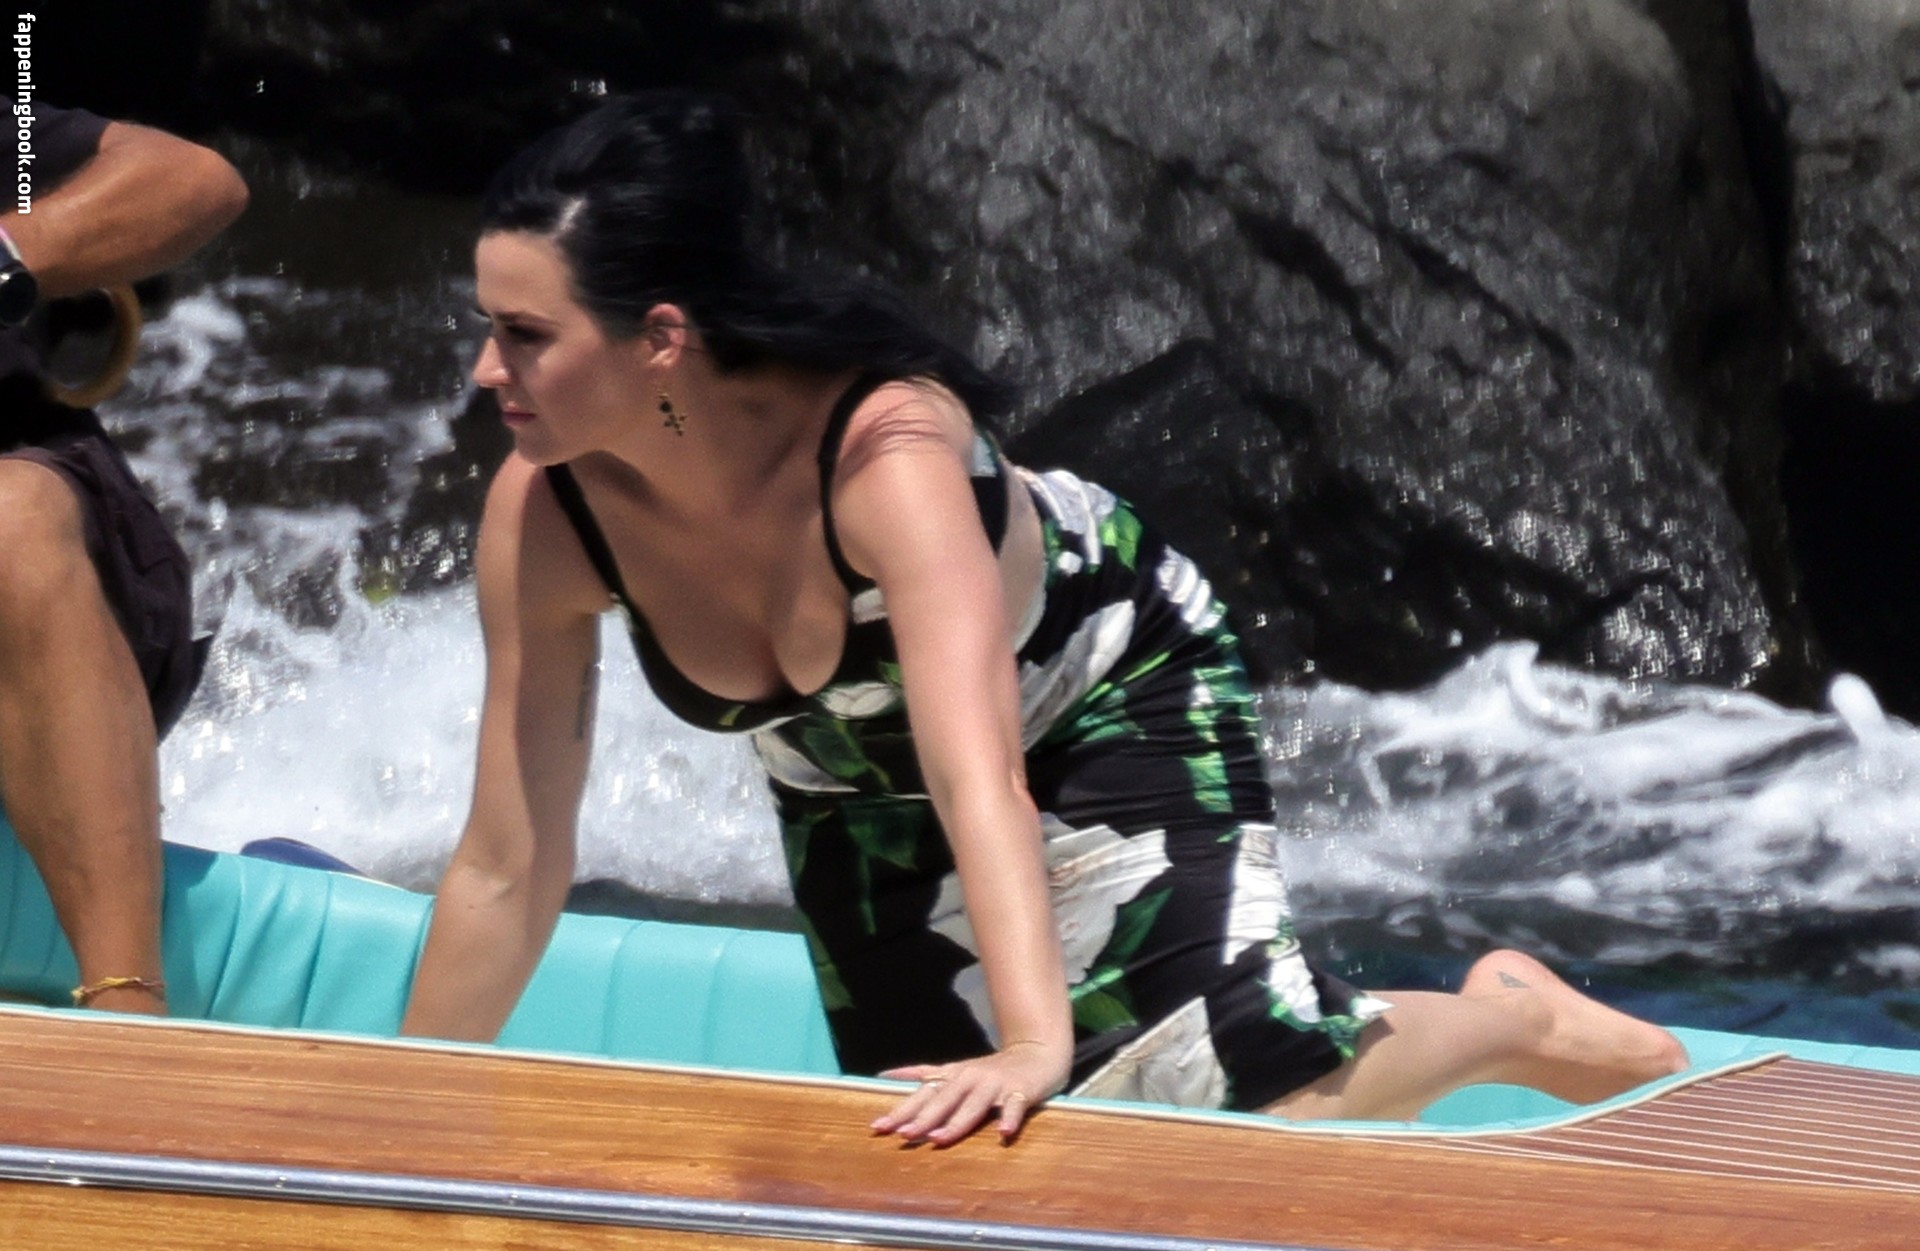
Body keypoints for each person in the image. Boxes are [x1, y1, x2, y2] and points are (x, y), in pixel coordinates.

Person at [401, 91, 1687, 1143]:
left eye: (525, 334)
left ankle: (1514, 1018)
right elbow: (510, 860)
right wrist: (397, 1109)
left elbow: (983, 775)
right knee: (945, 1152)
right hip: (859, 798)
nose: (485, 369)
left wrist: (1032, 1043)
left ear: (661, 339)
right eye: (486, 329)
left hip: (1102, 689)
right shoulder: (547, 517)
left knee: (1257, 1100)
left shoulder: (885, 458)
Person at [0, 105, 248, 1014]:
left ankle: (127, 1012)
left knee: (9, 517)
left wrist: (11, 251)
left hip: (41, 574)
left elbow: (195, 179)